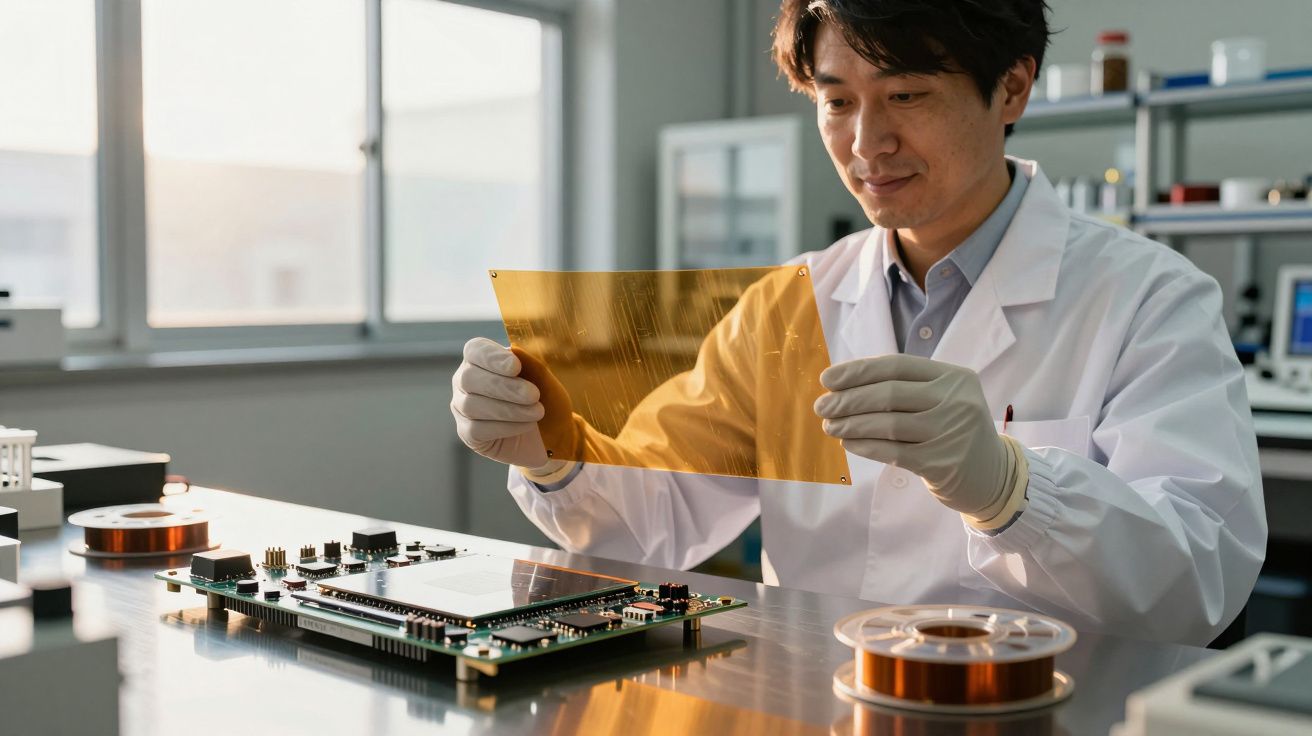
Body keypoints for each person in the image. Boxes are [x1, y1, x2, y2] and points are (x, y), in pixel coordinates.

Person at [450, 0, 1265, 645]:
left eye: (906, 95)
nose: (868, 143)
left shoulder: (1148, 299)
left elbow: (1198, 584)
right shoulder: (790, 303)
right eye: (837, 101)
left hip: (1042, 713)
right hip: (819, 707)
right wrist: (556, 454)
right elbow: (658, 521)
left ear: (1013, 87)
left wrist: (1015, 489)